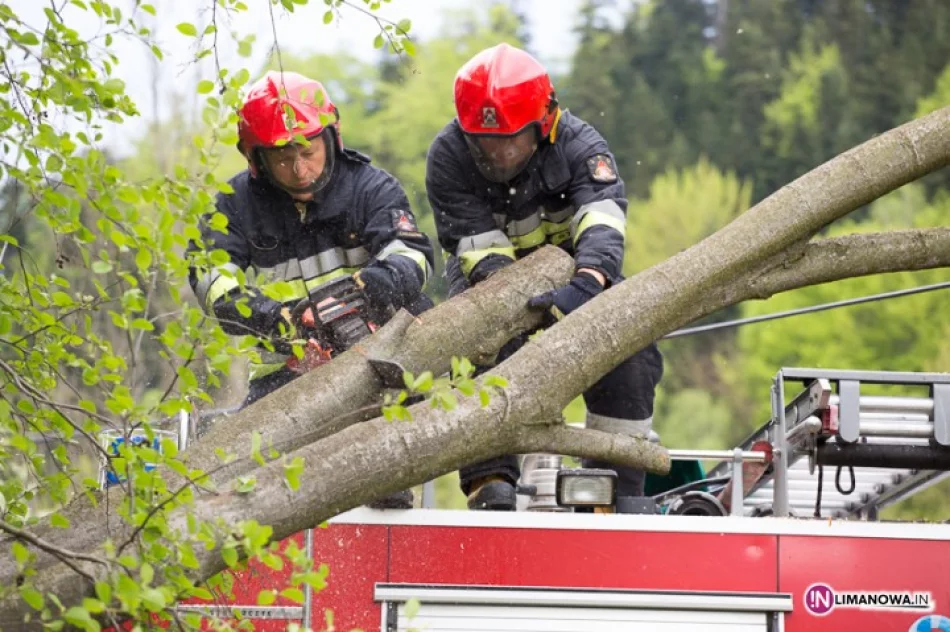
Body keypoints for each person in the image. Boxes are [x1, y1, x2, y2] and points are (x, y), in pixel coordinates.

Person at [425, 43, 664, 512]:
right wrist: (514, 307)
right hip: (489, 282)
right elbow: (478, 249)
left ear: (544, 122)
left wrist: (589, 280)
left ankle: (612, 484)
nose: (499, 153)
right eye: (486, 142)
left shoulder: (582, 147)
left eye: (511, 140)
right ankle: (488, 478)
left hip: (578, 277)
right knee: (480, 346)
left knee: (632, 349)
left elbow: (602, 222)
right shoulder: (449, 156)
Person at [188, 70, 435, 508]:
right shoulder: (233, 206)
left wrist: (366, 290)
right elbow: (208, 275)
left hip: (372, 368)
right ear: (256, 159)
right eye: (282, 159)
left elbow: (413, 256)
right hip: (285, 372)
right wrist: (272, 318)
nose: (299, 170)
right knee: (244, 482)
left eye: (308, 152)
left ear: (331, 138)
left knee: (384, 490)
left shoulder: (371, 188)